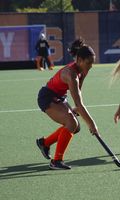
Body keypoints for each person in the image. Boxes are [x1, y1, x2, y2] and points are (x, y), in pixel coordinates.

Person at [36, 37, 99, 170]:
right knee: (71, 123)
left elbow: (78, 91)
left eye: (92, 63)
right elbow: (79, 103)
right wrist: (92, 123)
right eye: (89, 63)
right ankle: (56, 161)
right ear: (80, 60)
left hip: (60, 96)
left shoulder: (84, 70)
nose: (91, 66)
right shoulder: (70, 74)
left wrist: (76, 106)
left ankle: (44, 143)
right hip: (48, 96)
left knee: (75, 128)